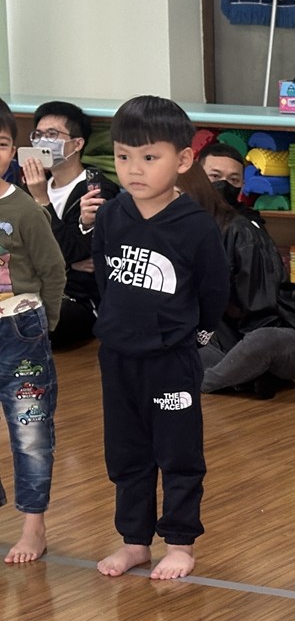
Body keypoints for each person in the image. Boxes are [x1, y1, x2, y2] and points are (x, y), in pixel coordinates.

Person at [92, 96, 229, 580]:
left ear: (183, 160)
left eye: (149, 157)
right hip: (118, 357)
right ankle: (134, 541)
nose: (134, 169)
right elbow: (104, 278)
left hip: (171, 360)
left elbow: (214, 290)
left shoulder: (195, 226)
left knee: (177, 451)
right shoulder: (111, 216)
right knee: (126, 452)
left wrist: (194, 337)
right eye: (124, 156)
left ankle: (179, 543)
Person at [191, 149, 295, 399]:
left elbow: (261, 310)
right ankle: (246, 377)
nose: (223, 185)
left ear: (242, 185)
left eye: (233, 180)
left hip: (275, 336)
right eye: (215, 176)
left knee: (262, 340)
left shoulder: (243, 231)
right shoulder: (187, 221)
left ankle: (208, 381)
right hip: (224, 335)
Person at [0, 98, 66, 564]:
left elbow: (53, 271)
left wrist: (45, 326)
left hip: (19, 328)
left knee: (30, 429)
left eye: (1, 143)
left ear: (13, 150)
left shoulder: (23, 209)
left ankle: (33, 526)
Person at [20, 101, 120, 347]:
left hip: (78, 299)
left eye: (52, 134)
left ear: (77, 144)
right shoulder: (29, 187)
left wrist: (42, 200)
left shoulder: (96, 189)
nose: (43, 141)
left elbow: (73, 250)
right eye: (38, 135)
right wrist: (68, 263)